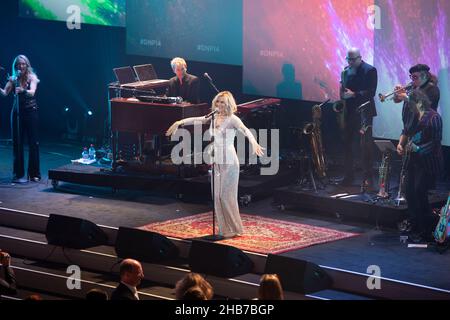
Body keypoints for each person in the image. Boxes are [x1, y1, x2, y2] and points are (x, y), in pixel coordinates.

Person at [166, 91, 264, 238]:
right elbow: (198, 119)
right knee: (217, 196)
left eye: (222, 102)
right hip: (217, 158)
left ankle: (234, 228)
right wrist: (180, 122)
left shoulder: (233, 119)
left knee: (226, 195)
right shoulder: (213, 117)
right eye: (217, 102)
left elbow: (245, 130)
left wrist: (254, 142)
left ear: (229, 104)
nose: (219, 105)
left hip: (229, 160)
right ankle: (224, 229)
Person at [396, 89, 443, 243]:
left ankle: (427, 230)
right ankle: (416, 224)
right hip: (413, 160)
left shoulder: (434, 118)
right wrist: (401, 144)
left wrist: (418, 149)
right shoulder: (414, 116)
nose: (409, 107)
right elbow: (406, 131)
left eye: (411, 104)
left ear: (420, 103)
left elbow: (435, 143)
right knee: (409, 191)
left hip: (427, 162)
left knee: (420, 192)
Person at [339, 48, 378, 190]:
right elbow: (344, 90)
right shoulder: (346, 71)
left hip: (364, 113)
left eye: (352, 60)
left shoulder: (370, 70)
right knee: (347, 144)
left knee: (365, 146)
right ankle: (348, 175)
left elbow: (371, 92)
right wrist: (343, 94)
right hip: (349, 112)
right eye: (348, 59)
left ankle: (368, 178)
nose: (350, 62)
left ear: (360, 58)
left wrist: (354, 94)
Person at [0, 55, 41, 183]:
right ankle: (18, 173)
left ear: (27, 65)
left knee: (33, 143)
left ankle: (34, 173)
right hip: (17, 112)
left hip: (30, 111)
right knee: (17, 143)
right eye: (18, 64)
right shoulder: (13, 79)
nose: (21, 66)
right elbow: (4, 93)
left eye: (23, 64)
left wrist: (23, 90)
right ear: (15, 66)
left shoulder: (32, 77)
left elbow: (32, 92)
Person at [394, 63, 440, 156]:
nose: (412, 80)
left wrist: (407, 97)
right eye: (411, 77)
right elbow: (408, 124)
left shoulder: (432, 89)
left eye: (415, 77)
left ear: (425, 76)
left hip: (425, 140)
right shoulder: (412, 91)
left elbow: (424, 109)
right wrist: (400, 143)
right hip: (411, 140)